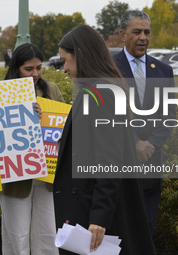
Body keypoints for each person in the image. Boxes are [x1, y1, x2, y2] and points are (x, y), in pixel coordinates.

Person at [55, 24, 156, 255]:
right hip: (88, 207)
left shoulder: (102, 94)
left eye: (65, 60)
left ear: (80, 54)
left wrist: (99, 217)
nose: (64, 68)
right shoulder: (96, 91)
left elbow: (109, 159)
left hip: (93, 214)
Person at [113, 10, 176, 234]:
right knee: (119, 230)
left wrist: (149, 146)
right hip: (117, 164)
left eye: (147, 32)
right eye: (137, 32)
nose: (143, 38)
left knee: (145, 230)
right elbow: (107, 115)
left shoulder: (163, 71)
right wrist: (134, 143)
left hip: (150, 164)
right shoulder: (108, 69)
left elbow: (169, 116)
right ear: (122, 34)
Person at [0, 43, 64, 255]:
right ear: (16, 67)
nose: (35, 73)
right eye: (29, 69)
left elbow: (65, 125)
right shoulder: (1, 91)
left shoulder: (51, 88)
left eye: (39, 68)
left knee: (48, 232)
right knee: (17, 234)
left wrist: (44, 116)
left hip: (47, 174)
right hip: (15, 175)